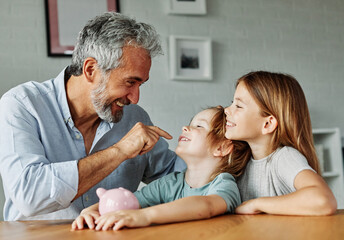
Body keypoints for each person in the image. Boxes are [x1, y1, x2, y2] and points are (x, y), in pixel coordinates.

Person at [0, 12, 185, 221]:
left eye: (140, 84)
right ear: (90, 69)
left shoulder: (133, 117)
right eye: (130, 82)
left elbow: (182, 177)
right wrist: (120, 151)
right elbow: (29, 195)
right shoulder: (22, 105)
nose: (135, 98)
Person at [71, 106, 241, 231]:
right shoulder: (170, 183)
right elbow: (129, 201)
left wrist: (144, 216)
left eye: (199, 126)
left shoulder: (224, 184)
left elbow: (206, 205)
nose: (185, 128)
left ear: (222, 148)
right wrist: (91, 211)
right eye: (191, 123)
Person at [224, 71, 337, 216]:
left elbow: (323, 200)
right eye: (232, 103)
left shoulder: (284, 158)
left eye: (238, 106)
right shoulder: (242, 160)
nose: (227, 110)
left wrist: (256, 204)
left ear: (268, 124)